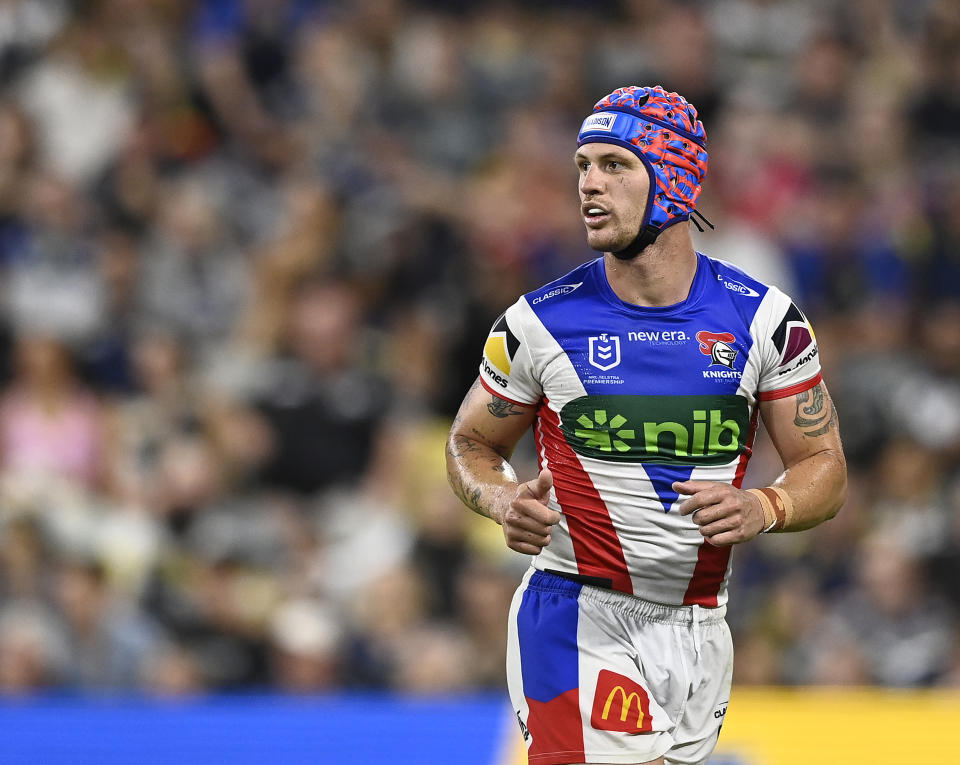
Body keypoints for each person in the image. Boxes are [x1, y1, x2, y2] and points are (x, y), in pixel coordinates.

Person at [445, 85, 846, 765]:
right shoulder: (538, 323)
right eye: (582, 166)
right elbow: (469, 442)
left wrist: (764, 504)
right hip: (577, 615)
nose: (589, 184)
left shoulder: (766, 322)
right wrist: (500, 496)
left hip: (700, 626)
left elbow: (825, 466)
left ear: (675, 179)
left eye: (614, 164)